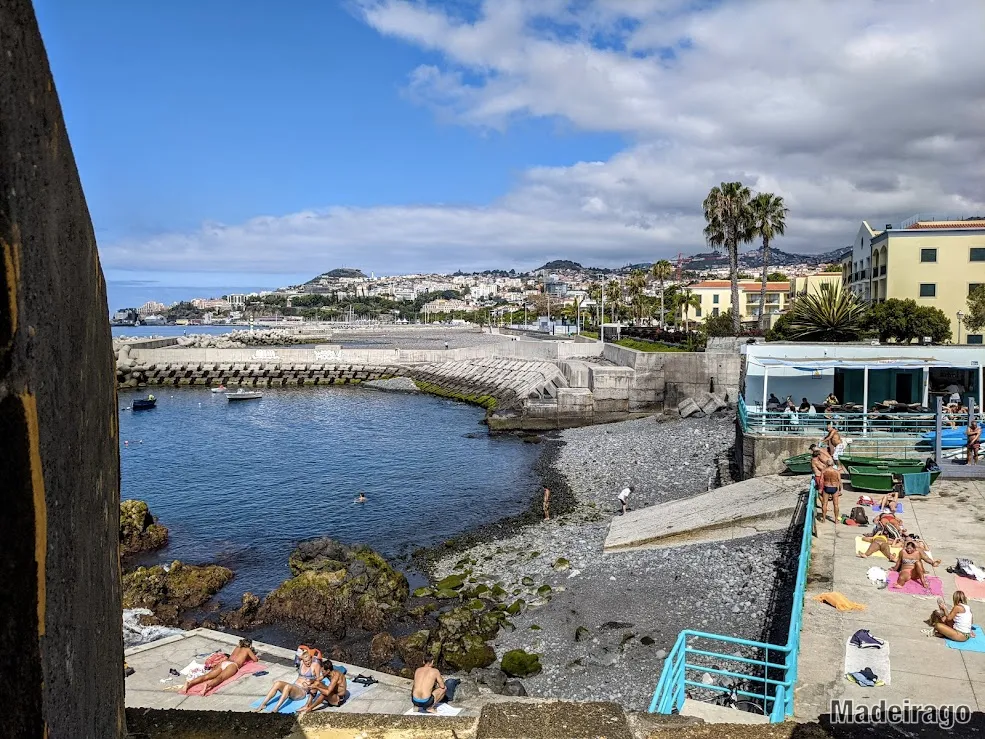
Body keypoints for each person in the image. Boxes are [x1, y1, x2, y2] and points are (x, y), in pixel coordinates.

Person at [254, 648, 322, 713]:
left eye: (309, 660)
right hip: (294, 686)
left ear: (311, 658)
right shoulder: (301, 663)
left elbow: (318, 680)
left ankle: (275, 708)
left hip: (302, 691)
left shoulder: (315, 665)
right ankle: (263, 704)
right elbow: (298, 654)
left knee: (288, 686)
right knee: (277, 683)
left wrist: (310, 681)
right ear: (303, 660)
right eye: (305, 661)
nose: (307, 663)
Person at [183, 639, 257, 695]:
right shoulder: (247, 649)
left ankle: (189, 683)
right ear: (250, 645)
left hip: (224, 662)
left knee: (207, 676)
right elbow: (255, 659)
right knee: (220, 678)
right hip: (233, 665)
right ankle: (208, 685)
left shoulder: (237, 647)